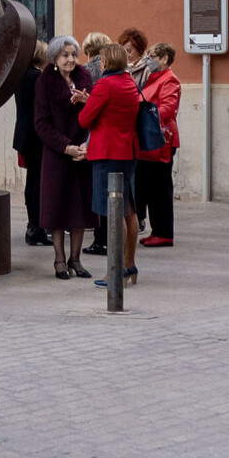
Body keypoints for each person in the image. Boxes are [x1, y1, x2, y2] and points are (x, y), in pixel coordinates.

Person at [79, 42, 141, 283]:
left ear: (106, 62)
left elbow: (85, 119)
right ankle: (129, 265)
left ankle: (115, 271)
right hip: (128, 151)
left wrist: (89, 102)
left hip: (107, 153)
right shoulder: (129, 82)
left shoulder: (105, 84)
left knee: (113, 213)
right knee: (128, 210)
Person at [32, 37, 93, 278]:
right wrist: (66, 147)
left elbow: (96, 114)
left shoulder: (85, 79)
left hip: (81, 153)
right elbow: (41, 123)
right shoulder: (45, 82)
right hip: (57, 153)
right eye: (65, 55)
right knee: (57, 207)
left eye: (74, 55)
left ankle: (75, 260)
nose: (70, 59)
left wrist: (86, 145)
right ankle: (59, 260)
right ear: (55, 58)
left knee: (79, 209)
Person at [135, 41, 181, 247]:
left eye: (153, 57)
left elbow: (167, 108)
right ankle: (157, 230)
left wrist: (144, 116)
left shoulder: (169, 80)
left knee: (160, 188)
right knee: (151, 188)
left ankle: (164, 232)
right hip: (151, 138)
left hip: (161, 139)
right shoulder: (154, 77)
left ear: (164, 59)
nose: (149, 60)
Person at [13, 37, 50, 247]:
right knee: (37, 181)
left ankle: (33, 226)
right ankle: (36, 227)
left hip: (24, 133)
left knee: (32, 180)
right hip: (36, 135)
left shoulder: (22, 75)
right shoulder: (37, 77)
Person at [79, 32, 113, 253]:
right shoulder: (118, 75)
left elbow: (87, 114)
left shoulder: (87, 71)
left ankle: (100, 237)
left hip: (94, 134)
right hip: (113, 139)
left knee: (97, 187)